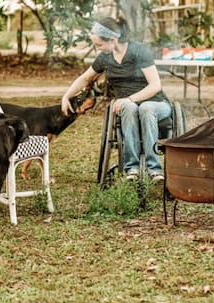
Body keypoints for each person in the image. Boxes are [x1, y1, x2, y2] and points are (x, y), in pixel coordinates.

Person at [61, 17, 171, 181]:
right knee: (129, 108)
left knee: (145, 107)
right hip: (128, 107)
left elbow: (155, 86)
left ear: (113, 40)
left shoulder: (139, 51)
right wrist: (66, 96)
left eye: (99, 45)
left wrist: (130, 99)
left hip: (156, 104)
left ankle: (154, 170)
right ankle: (131, 169)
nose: (97, 49)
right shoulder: (105, 58)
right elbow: (85, 79)